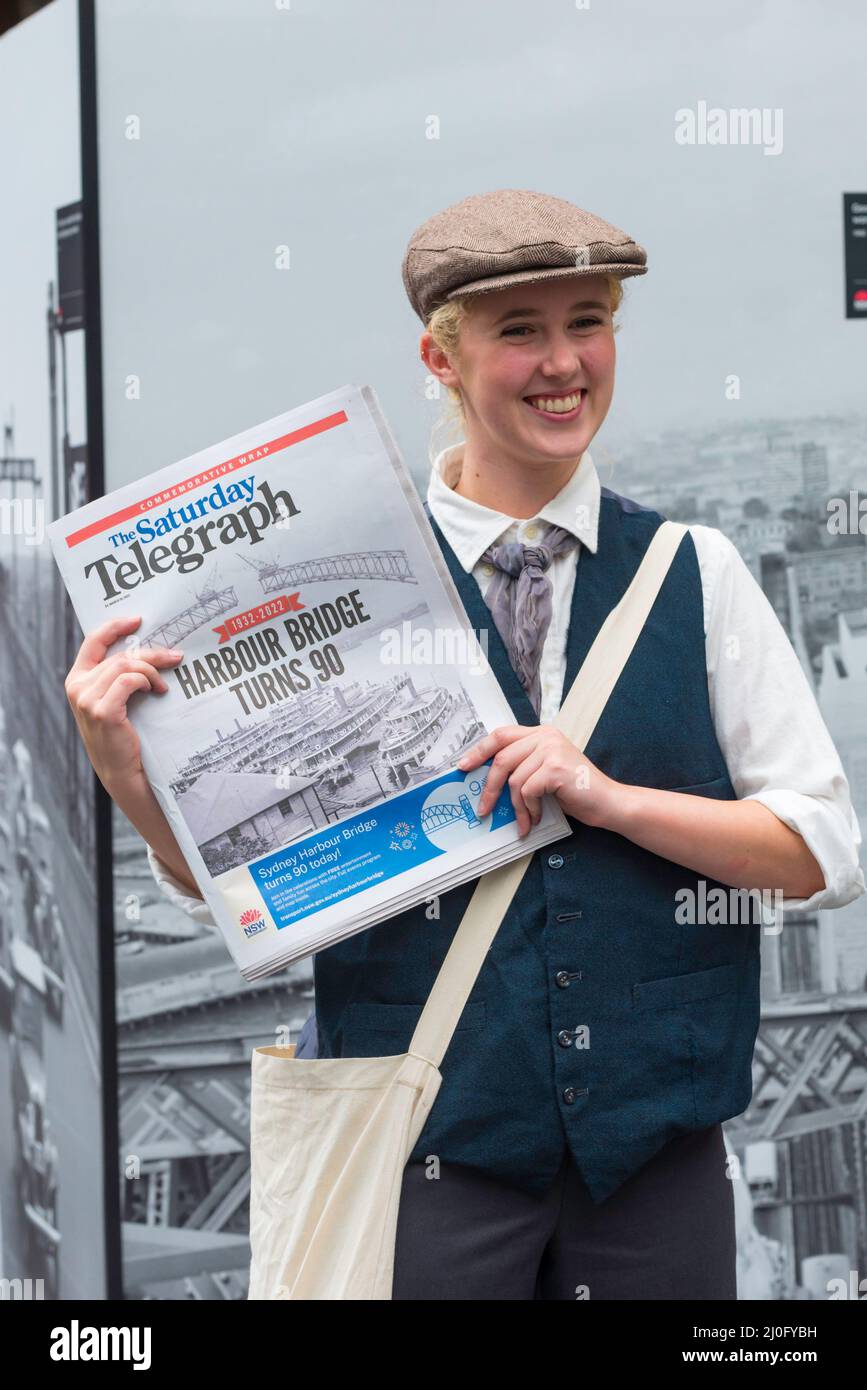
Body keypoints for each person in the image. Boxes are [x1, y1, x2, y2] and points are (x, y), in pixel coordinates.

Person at [65, 189, 865, 1300]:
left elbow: (822, 852)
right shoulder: (339, 585)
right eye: (518, 331)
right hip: (425, 1154)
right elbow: (245, 896)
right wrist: (127, 778)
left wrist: (611, 797)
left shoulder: (700, 572)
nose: (563, 362)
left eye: (587, 320)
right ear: (440, 360)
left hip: (659, 1165)